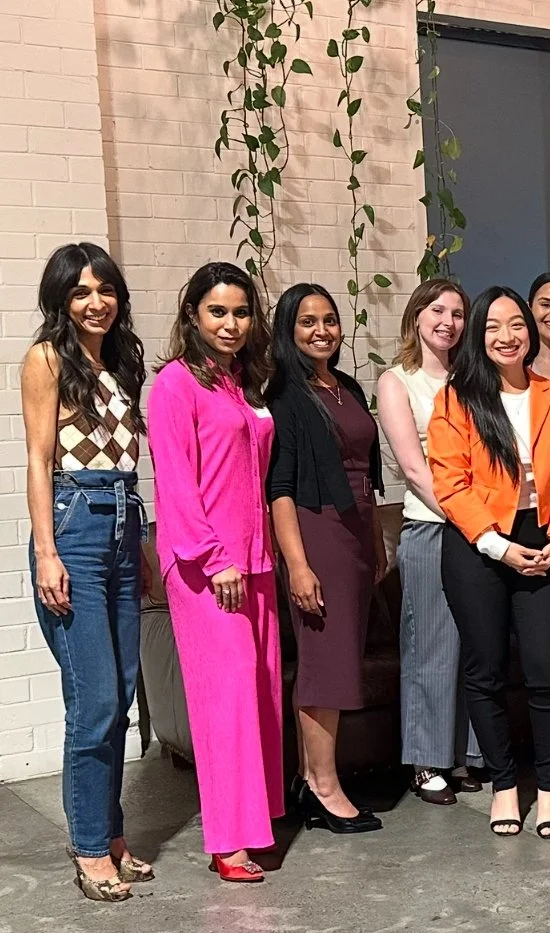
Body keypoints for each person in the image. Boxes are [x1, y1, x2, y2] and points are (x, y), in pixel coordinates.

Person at [428, 286, 550, 839]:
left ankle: (549, 788)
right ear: (478, 334)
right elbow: (451, 484)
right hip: (479, 547)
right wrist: (498, 546)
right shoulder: (457, 399)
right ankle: (503, 786)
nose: (506, 336)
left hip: (541, 537)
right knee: (486, 672)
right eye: (493, 326)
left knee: (546, 671)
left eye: (516, 324)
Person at [22, 243, 151, 902]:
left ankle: (111, 834)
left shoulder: (123, 361)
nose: (95, 302)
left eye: (105, 289)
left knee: (120, 696)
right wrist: (47, 551)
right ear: (61, 300)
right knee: (94, 700)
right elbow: (37, 459)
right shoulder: (47, 359)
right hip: (74, 525)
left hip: (125, 525)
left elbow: (129, 459)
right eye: (80, 291)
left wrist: (142, 547)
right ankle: (90, 847)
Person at [147, 262, 282, 882]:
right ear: (193, 315)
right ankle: (227, 841)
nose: (231, 323)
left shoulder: (241, 383)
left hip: (255, 561)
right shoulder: (175, 384)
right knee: (225, 701)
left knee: (259, 692)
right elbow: (175, 482)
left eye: (241, 312)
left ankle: (256, 823)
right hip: (209, 568)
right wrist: (214, 556)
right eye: (218, 312)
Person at [266, 283, 385, 834]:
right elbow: (280, 489)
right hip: (317, 533)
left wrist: (376, 540)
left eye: (330, 320)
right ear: (288, 330)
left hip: (356, 531)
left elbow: (367, 473)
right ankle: (324, 786)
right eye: (308, 321)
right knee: (326, 663)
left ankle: (307, 778)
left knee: (333, 659)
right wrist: (298, 564)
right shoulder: (285, 396)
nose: (322, 331)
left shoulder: (347, 387)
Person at [376, 279, 482, 805]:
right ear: (417, 316)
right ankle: (426, 761)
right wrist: (468, 518)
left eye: (458, 313)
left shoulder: (474, 376)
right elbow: (414, 469)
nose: (448, 322)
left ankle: (464, 754)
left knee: (474, 644)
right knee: (431, 647)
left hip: (481, 530)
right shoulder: (397, 381)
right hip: (433, 526)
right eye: (437, 310)